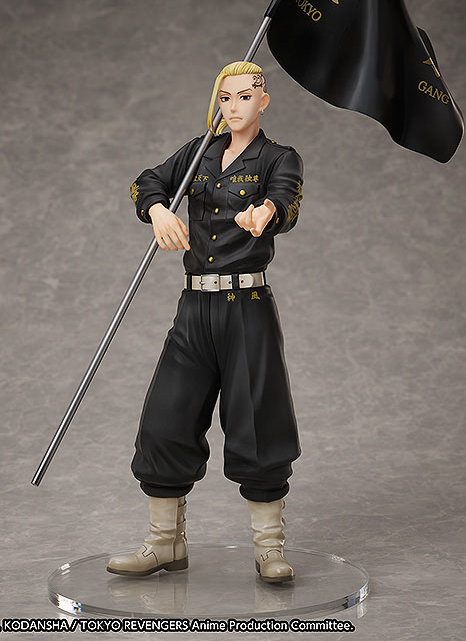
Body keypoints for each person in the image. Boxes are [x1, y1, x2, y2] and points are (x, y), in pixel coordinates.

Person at [107, 61, 304, 583]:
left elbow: (287, 199)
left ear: (264, 101)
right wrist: (157, 210)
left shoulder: (278, 157)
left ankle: (268, 548)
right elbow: (146, 181)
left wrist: (265, 214)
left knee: (258, 422)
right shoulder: (199, 152)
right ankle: (164, 543)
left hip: (247, 308)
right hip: (194, 307)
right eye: (225, 97)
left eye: (245, 96)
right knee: (166, 416)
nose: (233, 106)